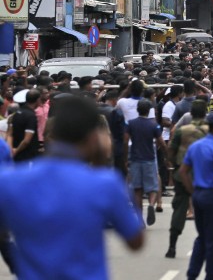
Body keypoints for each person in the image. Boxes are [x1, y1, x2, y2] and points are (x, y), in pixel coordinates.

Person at [0, 96, 144, 279]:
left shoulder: (10, 181)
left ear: (51, 135)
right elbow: (135, 241)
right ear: (94, 137)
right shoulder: (105, 184)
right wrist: (103, 165)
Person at [179, 112, 213, 280]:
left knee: (201, 237)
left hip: (198, 195)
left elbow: (183, 171)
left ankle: (192, 274)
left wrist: (192, 191)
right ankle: (210, 276)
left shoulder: (196, 146)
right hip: (212, 196)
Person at [165, 100, 208, 259]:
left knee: (179, 210)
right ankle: (205, 244)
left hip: (181, 174)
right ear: (204, 113)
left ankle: (172, 246)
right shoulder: (210, 130)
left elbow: (171, 150)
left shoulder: (181, 130)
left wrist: (174, 166)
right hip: (204, 176)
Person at [123, 99, 167, 226]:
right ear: (149, 111)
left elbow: (125, 141)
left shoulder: (130, 123)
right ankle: (152, 204)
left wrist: (126, 158)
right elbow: (162, 142)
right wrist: (166, 155)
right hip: (149, 158)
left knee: (137, 189)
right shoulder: (154, 125)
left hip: (135, 158)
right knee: (152, 187)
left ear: (137, 110)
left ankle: (140, 219)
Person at [11, 89, 41, 162]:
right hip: (27, 156)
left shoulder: (17, 113)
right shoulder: (31, 116)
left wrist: (12, 150)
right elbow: (26, 141)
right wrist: (16, 151)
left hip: (16, 154)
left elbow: (10, 134)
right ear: (38, 100)